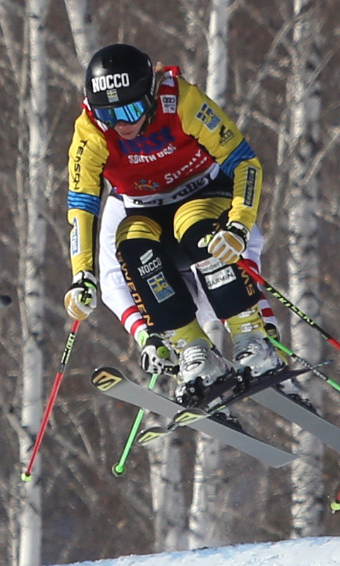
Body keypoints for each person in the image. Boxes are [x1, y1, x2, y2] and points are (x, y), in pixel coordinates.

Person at [63, 43, 279, 396]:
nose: (122, 125)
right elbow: (82, 204)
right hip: (145, 209)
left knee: (196, 230)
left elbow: (244, 161)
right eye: (109, 115)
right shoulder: (90, 130)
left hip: (205, 195)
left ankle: (251, 336)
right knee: (131, 245)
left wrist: (238, 225)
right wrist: (82, 275)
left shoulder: (179, 101)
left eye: (132, 110)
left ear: (149, 95)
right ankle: (195, 350)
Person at [97, 191, 276, 381]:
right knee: (145, 271)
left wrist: (263, 317)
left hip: (217, 280)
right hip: (172, 294)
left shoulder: (196, 174)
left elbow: (245, 244)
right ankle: (198, 378)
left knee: (214, 261)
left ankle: (270, 363)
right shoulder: (121, 202)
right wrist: (147, 334)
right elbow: (113, 281)